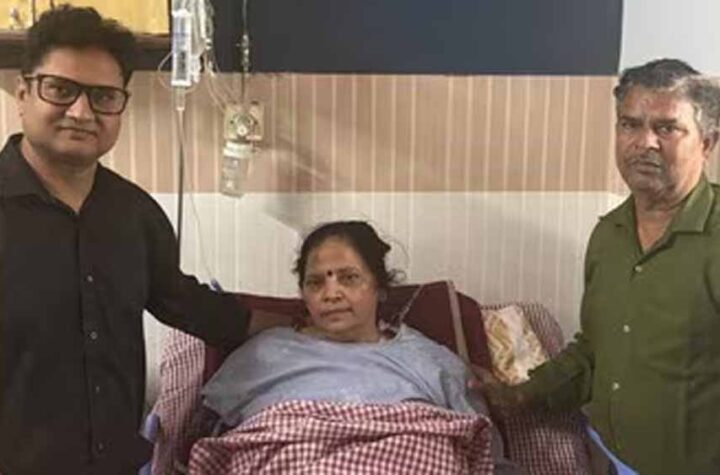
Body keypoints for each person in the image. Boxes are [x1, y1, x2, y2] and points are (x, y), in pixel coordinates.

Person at [0, 6, 287, 474]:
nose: (81, 112)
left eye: (103, 96)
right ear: (23, 94)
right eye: (61, 89)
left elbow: (182, 301)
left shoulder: (134, 213)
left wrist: (294, 322)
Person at [475, 58, 720, 475]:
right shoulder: (609, 235)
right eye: (630, 125)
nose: (645, 142)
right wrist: (518, 396)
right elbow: (596, 350)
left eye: (667, 128)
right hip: (605, 457)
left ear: (707, 143)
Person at [201, 221, 519, 473]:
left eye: (349, 278)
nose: (331, 294)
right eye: (316, 282)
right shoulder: (264, 353)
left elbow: (486, 454)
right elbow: (215, 437)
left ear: (380, 288)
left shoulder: (429, 360)